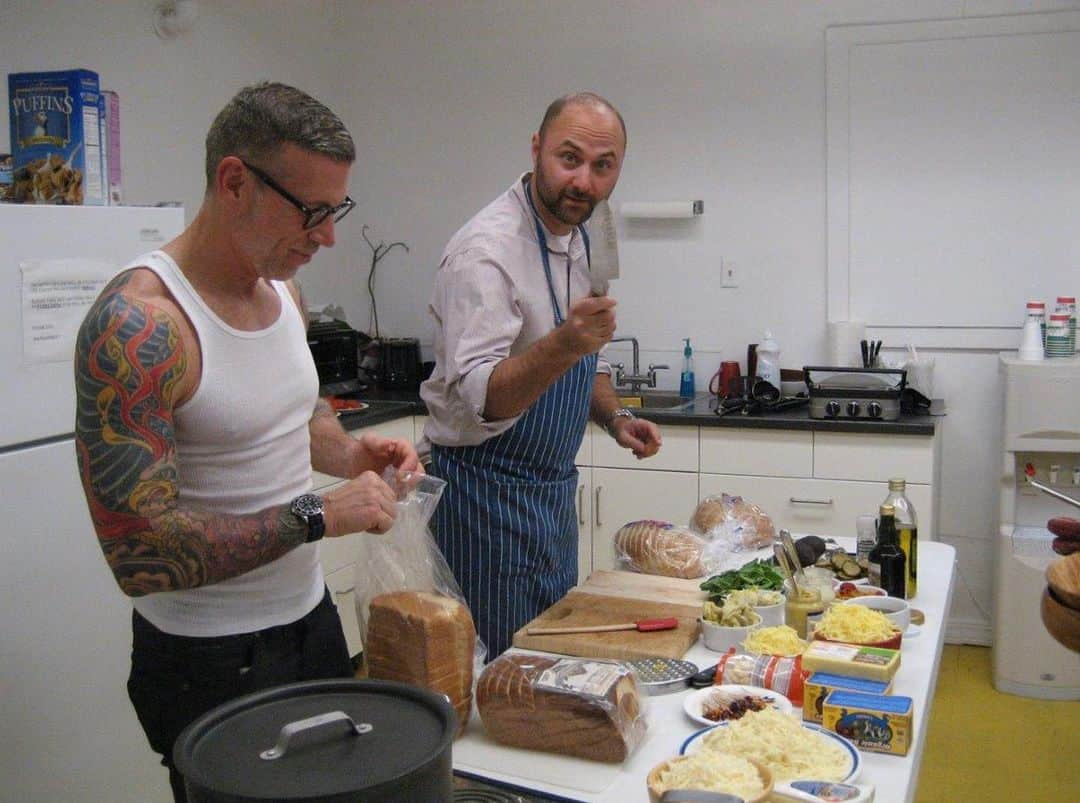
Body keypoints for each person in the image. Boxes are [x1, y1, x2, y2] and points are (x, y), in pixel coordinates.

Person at [73, 82, 420, 802]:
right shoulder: (142, 326)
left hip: (309, 622)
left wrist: (352, 454)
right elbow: (142, 554)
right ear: (235, 182)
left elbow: (297, 414)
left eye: (336, 210)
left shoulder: (282, 294)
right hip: (208, 658)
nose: (327, 235)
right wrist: (322, 514)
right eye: (313, 211)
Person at [420, 92, 663, 657]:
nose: (584, 181)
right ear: (536, 149)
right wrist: (564, 344)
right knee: (498, 675)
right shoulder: (486, 252)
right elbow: (484, 398)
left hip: (550, 494)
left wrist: (615, 415)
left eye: (604, 167)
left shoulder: (588, 230)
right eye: (569, 158)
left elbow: (588, 354)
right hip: (483, 497)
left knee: (548, 658)